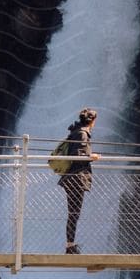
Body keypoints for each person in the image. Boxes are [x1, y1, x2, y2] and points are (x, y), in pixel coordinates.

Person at [59, 107, 100, 253]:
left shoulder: (75, 131)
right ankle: (70, 246)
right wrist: (92, 157)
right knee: (74, 213)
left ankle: (70, 245)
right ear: (92, 120)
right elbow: (79, 156)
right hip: (77, 177)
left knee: (73, 213)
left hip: (70, 177)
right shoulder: (83, 134)